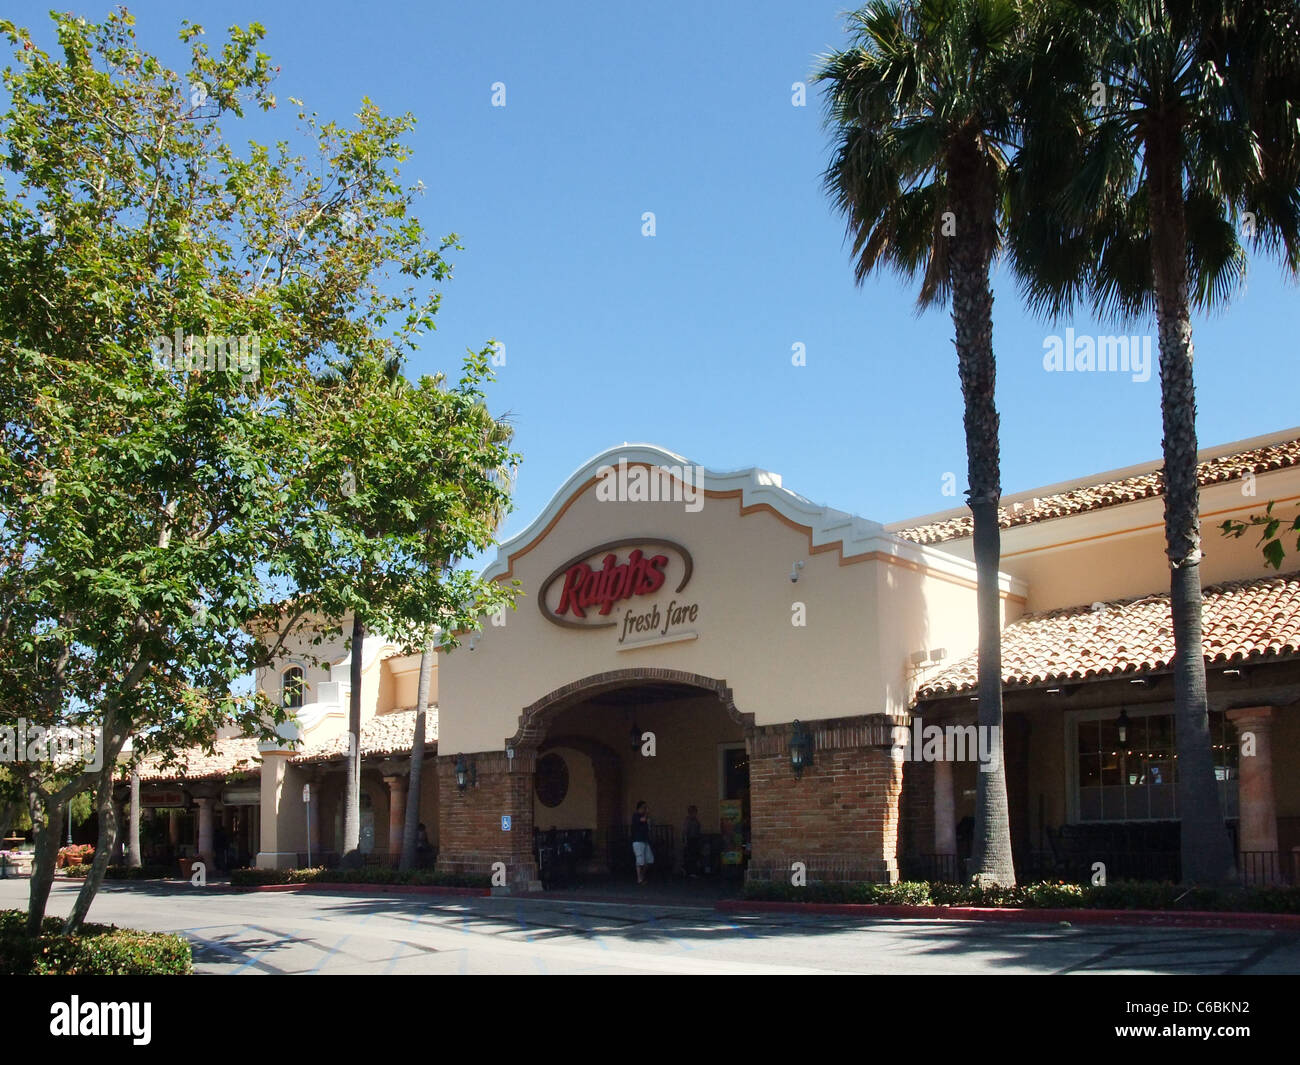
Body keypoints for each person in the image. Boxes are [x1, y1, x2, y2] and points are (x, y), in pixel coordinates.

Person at [631, 800, 653, 884]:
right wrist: (647, 814)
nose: (645, 809)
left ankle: (642, 876)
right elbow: (642, 820)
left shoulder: (645, 817)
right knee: (640, 860)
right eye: (644, 807)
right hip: (638, 840)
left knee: (649, 859)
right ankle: (639, 878)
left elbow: (648, 826)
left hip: (645, 840)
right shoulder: (636, 815)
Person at [682, 804, 702, 877]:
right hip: (690, 839)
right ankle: (690, 872)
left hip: (695, 839)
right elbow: (685, 832)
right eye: (694, 812)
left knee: (694, 856)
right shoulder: (688, 821)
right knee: (690, 856)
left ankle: (691, 871)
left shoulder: (695, 820)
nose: (695, 814)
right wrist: (685, 841)